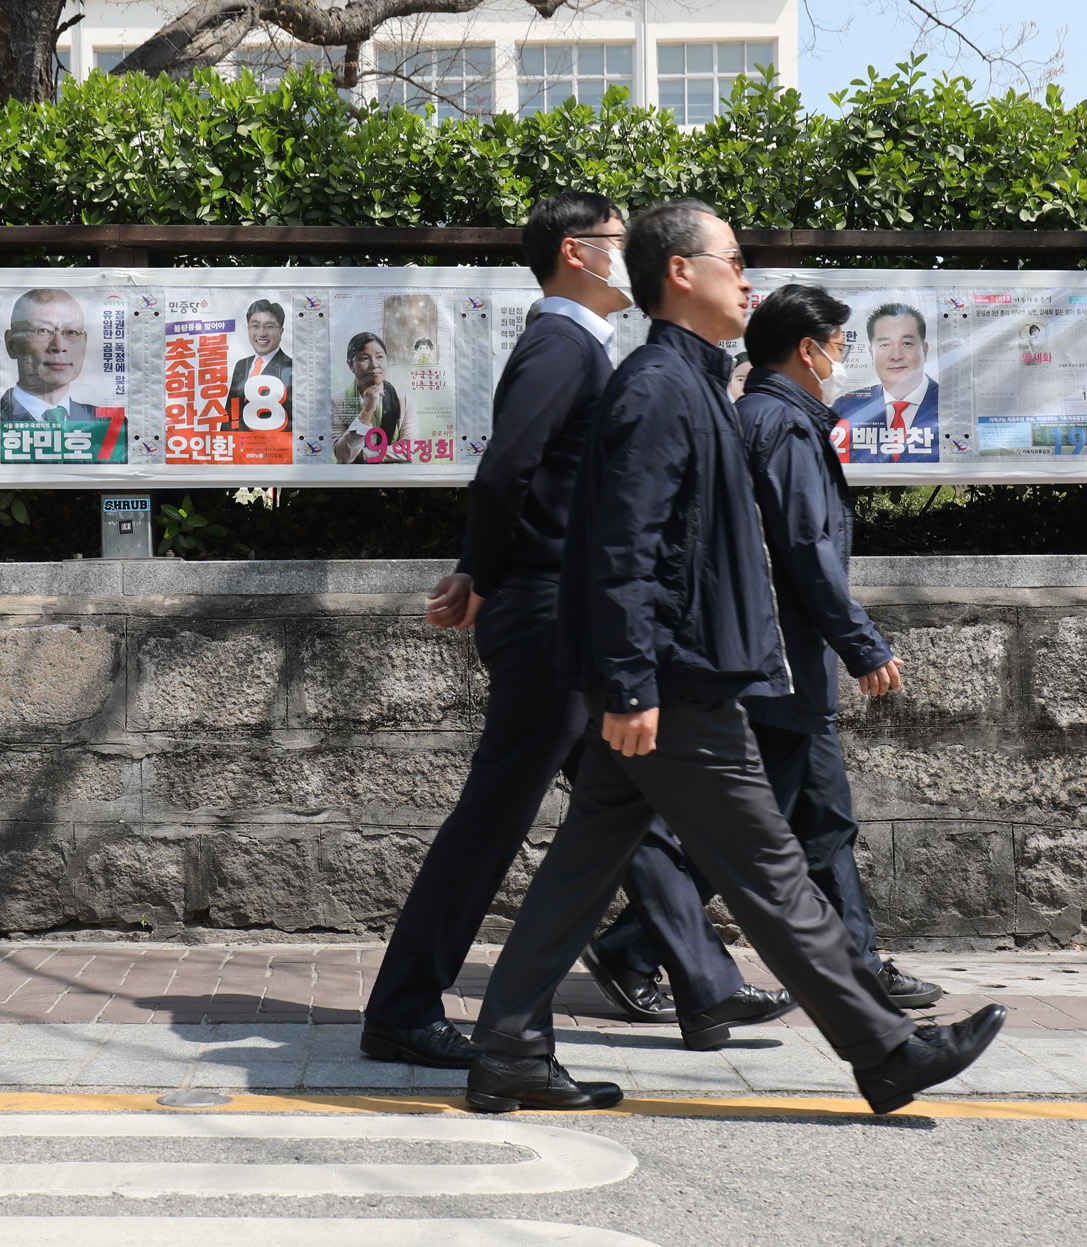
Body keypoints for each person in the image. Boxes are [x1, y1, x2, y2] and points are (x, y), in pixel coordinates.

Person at [464, 200, 1004, 1116]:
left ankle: (509, 1042)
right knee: (771, 868)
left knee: (581, 866)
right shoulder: (657, 388)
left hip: (672, 676)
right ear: (681, 272)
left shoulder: (693, 382)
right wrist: (632, 681)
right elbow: (626, 548)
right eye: (734, 261)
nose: (748, 280)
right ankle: (886, 1050)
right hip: (677, 684)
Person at [362, 192, 788, 1070]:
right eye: (616, 240)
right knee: (497, 815)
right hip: (546, 609)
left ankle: (704, 980)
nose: (627, 254)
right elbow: (505, 471)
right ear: (575, 252)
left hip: (564, 608)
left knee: (625, 796)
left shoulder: (584, 347)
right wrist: (482, 573)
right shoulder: (561, 344)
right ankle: (402, 1006)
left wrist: (483, 570)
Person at [590, 287, 946, 1015]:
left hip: (774, 662)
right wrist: (862, 643)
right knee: (755, 832)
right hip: (778, 664)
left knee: (818, 824)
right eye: (840, 345)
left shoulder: (765, 416)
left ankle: (856, 967)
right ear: (807, 351)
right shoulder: (780, 425)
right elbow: (804, 547)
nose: (847, 359)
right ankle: (634, 944)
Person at [832, 302, 939, 463]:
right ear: (871, 354)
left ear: (924, 351)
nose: (895, 356)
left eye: (906, 343)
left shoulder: (951, 406)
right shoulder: (846, 408)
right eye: (885, 345)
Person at [1, 288, 96, 422]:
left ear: (84, 343)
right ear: (12, 343)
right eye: (43, 330)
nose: (59, 346)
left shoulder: (108, 425)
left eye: (71, 332)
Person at [332, 332, 407, 463]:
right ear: (350, 365)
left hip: (393, 475)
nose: (374, 364)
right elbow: (343, 455)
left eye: (379, 357)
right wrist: (366, 411)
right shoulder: (336, 401)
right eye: (364, 358)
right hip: (351, 476)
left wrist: (365, 454)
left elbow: (409, 450)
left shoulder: (402, 398)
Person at [226, 299, 293, 428]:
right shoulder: (241, 365)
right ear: (248, 329)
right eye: (255, 326)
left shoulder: (292, 368)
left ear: (281, 331)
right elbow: (230, 414)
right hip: (238, 440)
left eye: (269, 326)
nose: (262, 333)